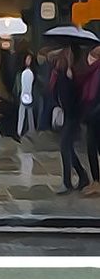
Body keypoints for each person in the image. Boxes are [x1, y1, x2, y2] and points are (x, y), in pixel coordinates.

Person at [52, 48, 89, 194]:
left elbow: (73, 97)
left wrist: (71, 79)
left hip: (73, 116)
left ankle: (67, 182)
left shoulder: (72, 74)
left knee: (65, 147)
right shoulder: (61, 73)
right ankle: (82, 175)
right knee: (68, 148)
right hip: (68, 115)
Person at [77, 46, 100, 195]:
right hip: (92, 116)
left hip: (95, 116)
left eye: (91, 56)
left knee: (92, 147)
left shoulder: (97, 72)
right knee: (93, 148)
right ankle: (96, 181)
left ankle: (96, 182)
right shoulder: (92, 72)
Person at [15, 53, 36, 138]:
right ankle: (20, 131)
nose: (28, 61)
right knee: (23, 113)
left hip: (28, 94)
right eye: (27, 59)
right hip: (24, 94)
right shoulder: (22, 73)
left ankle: (31, 130)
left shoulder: (30, 73)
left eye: (30, 59)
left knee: (28, 113)